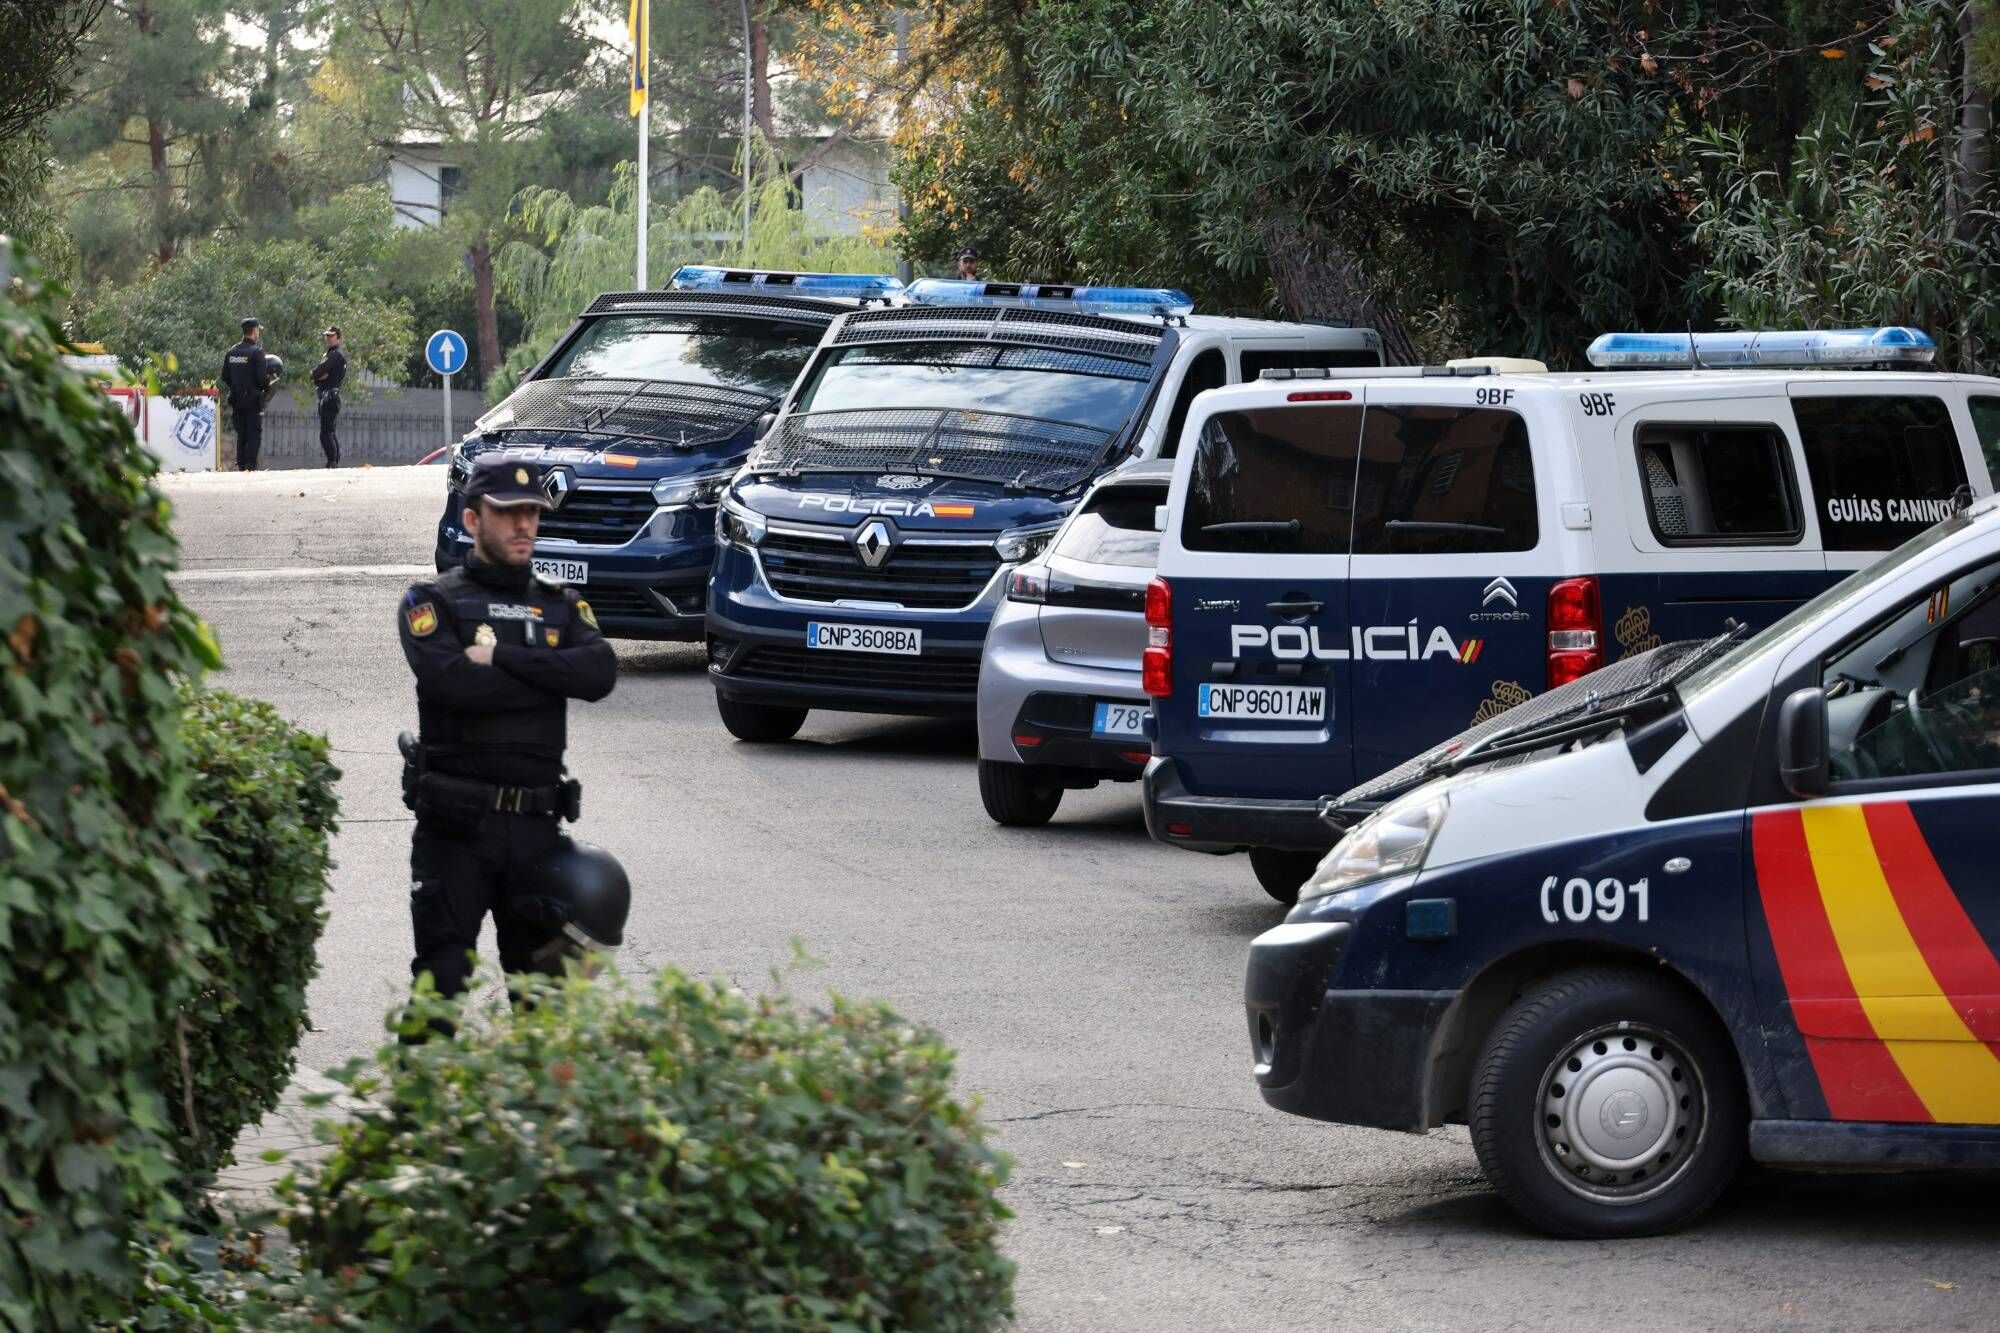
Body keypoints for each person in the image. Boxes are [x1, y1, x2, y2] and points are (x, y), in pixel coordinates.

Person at [396, 460, 617, 1022]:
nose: (524, 525)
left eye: (532, 514)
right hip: (457, 830)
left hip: (538, 834)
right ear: (472, 520)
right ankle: (418, 1108)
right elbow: (453, 683)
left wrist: (502, 656)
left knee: (543, 1011)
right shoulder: (432, 601)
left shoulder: (560, 604)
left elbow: (598, 675)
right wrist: (547, 675)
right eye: (508, 514)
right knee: (439, 995)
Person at [220, 317, 270, 471]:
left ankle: (241, 463)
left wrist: (236, 387)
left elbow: (224, 377)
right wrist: (267, 384)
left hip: (236, 399)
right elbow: (263, 379)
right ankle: (250, 464)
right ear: (255, 331)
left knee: (241, 433)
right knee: (253, 432)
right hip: (253, 399)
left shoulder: (232, 352)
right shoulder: (256, 352)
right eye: (258, 331)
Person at [309, 325, 347, 468]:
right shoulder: (330, 354)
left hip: (330, 397)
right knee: (329, 431)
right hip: (327, 396)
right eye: (327, 336)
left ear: (338, 338)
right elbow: (319, 376)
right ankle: (334, 460)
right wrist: (320, 375)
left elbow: (318, 373)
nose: (328, 338)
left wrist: (319, 374)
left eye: (331, 336)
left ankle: (332, 461)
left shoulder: (335, 355)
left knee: (326, 433)